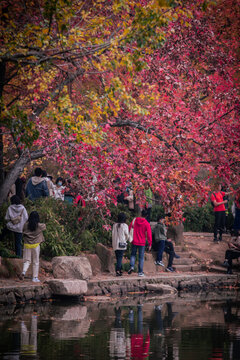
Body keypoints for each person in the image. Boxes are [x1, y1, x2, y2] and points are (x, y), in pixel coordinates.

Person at [19, 211, 46, 282]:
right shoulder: (39, 226)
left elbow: (23, 231)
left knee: (27, 260)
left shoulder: (25, 225)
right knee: (35, 261)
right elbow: (44, 226)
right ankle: (35, 278)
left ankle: (24, 272)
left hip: (27, 244)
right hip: (36, 245)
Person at [128, 209, 152, 277]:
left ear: (141, 214)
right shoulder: (146, 223)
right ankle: (140, 272)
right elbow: (149, 234)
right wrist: (150, 244)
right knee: (141, 257)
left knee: (133, 255)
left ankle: (132, 266)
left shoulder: (135, 220)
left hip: (134, 241)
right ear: (146, 215)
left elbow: (130, 228)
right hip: (142, 242)